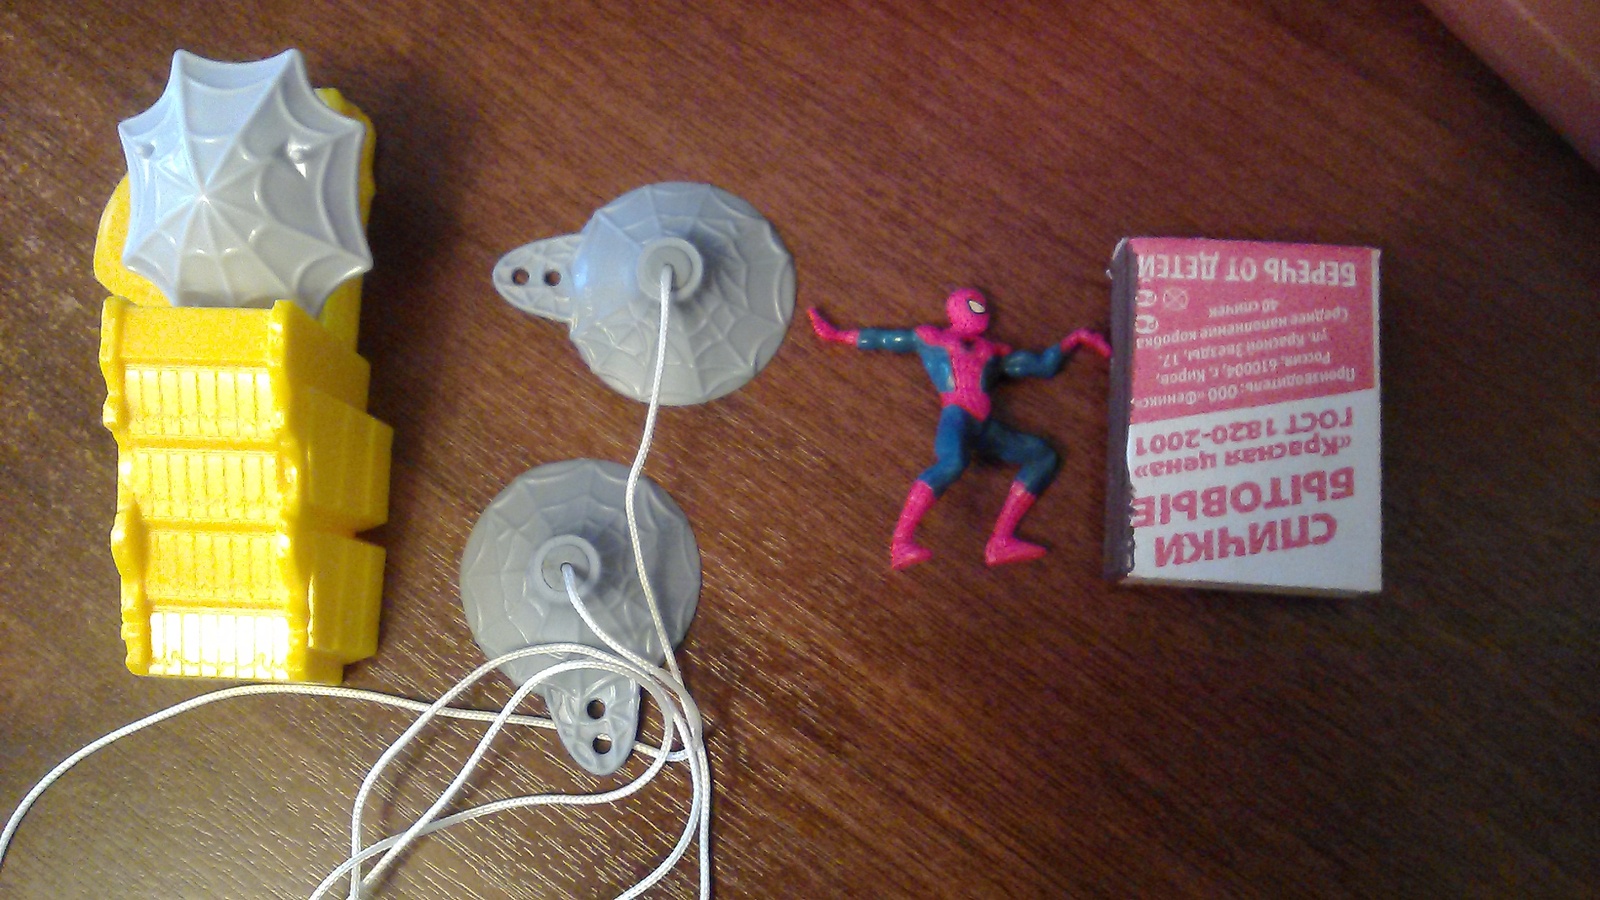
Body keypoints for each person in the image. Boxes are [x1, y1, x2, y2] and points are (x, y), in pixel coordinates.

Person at [809, 288, 1110, 569]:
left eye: (981, 308)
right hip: (957, 416)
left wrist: (1074, 340)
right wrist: (838, 335)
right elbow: (885, 339)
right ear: (955, 309)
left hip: (983, 425)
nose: (981, 313)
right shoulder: (933, 339)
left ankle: (1001, 541)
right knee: (953, 462)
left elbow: (1041, 365)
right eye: (974, 307)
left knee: (1043, 455)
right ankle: (900, 542)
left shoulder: (991, 352)